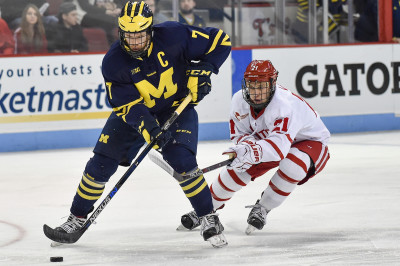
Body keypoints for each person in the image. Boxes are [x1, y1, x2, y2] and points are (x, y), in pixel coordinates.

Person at [47, 1, 231, 248]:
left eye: (140, 35)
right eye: (128, 36)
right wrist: (149, 129)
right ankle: (76, 218)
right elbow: (129, 107)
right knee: (100, 164)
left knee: (182, 161)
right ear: (121, 32)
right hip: (134, 115)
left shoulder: (175, 34)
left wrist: (205, 68)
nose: (134, 42)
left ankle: (209, 217)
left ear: (151, 30)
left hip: (175, 109)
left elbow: (221, 40)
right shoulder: (113, 62)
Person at [178, 60, 331, 235]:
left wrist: (252, 151)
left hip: (309, 142)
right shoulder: (238, 100)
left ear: (273, 84)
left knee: (293, 165)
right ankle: (205, 209)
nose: (256, 93)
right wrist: (245, 149)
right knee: (238, 168)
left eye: (262, 86)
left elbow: (279, 149)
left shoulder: (285, 106)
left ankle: (263, 208)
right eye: (251, 86)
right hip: (271, 141)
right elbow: (240, 135)